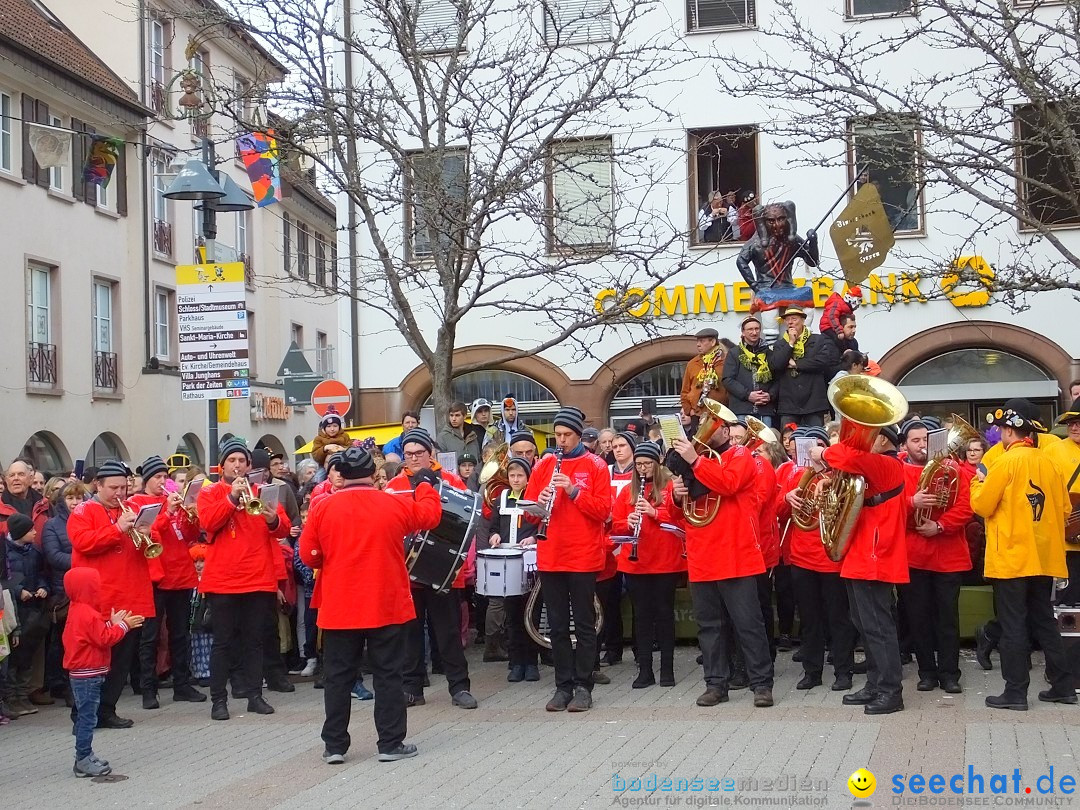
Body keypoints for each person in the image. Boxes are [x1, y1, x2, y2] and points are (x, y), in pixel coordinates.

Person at [300, 446, 441, 764]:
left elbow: (308, 555)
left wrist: (331, 558)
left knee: (338, 677)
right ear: (374, 474)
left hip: (339, 605)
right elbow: (430, 516)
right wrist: (425, 485)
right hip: (384, 602)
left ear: (341, 475)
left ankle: (335, 746)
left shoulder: (322, 507)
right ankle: (390, 743)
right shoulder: (392, 503)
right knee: (388, 674)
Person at [970, 400, 1075, 710]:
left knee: (1013, 624)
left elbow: (981, 506)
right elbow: (1066, 511)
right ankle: (1063, 687)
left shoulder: (1003, 463)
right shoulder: (1050, 463)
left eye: (1001, 428)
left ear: (1009, 430)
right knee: (1044, 621)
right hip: (1045, 558)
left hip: (1012, 559)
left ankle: (1015, 692)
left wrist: (977, 483)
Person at [670, 403, 774, 708]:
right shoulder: (699, 460)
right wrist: (677, 495)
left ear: (727, 431)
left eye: (714, 425)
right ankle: (716, 684)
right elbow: (676, 512)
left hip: (735, 552)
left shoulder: (742, 456)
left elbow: (728, 484)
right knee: (709, 626)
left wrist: (694, 461)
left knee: (748, 623)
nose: (708, 430)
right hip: (702, 555)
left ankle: (761, 684)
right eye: (706, 424)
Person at [813, 421, 907, 715]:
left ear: (881, 440)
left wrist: (823, 452)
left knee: (877, 626)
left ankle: (891, 691)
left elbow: (846, 457)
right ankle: (876, 682)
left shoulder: (888, 464)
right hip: (862, 551)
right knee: (864, 622)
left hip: (875, 552)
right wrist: (829, 482)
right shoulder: (876, 466)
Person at [523, 407, 612, 713]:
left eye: (567, 435)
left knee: (585, 625)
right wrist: (539, 504)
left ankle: (584, 686)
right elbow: (527, 512)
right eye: (557, 435)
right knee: (558, 626)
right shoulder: (545, 464)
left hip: (583, 555)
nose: (560, 441)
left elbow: (603, 511)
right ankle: (563, 686)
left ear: (578, 435)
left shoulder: (597, 465)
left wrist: (573, 491)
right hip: (551, 554)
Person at [197, 438, 291, 721]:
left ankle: (254, 695)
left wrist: (273, 518)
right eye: (232, 461)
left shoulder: (263, 491)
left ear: (250, 466)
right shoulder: (211, 493)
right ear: (222, 466)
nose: (237, 466)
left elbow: (283, 528)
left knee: (254, 641)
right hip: (223, 579)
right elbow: (208, 524)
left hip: (258, 578)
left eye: (242, 461)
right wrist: (231, 498)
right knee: (223, 642)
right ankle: (218, 700)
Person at [384, 429, 478, 710]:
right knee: (410, 633)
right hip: (407, 573)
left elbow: (466, 520)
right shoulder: (394, 486)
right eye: (408, 454)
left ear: (430, 454)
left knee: (447, 632)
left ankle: (459, 687)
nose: (413, 458)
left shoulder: (449, 482)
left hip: (443, 571)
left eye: (418, 453)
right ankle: (413, 688)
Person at [67, 460, 156, 729]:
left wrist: (146, 534)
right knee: (94, 660)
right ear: (98, 485)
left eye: (123, 487)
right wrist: (117, 529)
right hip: (100, 597)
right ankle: (81, 714)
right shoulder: (84, 510)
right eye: (113, 488)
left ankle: (107, 710)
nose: (120, 493)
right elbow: (83, 542)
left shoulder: (131, 509)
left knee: (121, 660)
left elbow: (144, 551)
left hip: (129, 594)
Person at [898, 419, 972, 694]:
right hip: (914, 556)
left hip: (948, 555)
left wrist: (939, 525)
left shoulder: (953, 468)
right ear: (905, 444)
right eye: (915, 440)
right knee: (918, 618)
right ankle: (927, 672)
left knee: (947, 618)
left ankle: (950, 673)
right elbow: (890, 510)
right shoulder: (899, 469)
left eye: (926, 439)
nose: (921, 445)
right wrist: (911, 503)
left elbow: (965, 506)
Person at [780, 427, 857, 691]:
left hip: (832, 557)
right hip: (802, 558)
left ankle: (843, 671)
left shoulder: (842, 477)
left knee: (839, 618)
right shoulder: (797, 477)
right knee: (810, 620)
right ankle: (811, 672)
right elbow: (779, 514)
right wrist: (786, 497)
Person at [127, 455, 206, 709]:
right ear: (147, 479)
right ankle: (148, 688)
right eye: (157, 477)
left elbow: (191, 535)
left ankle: (182, 684)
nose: (163, 482)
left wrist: (191, 515)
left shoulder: (173, 500)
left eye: (165, 477)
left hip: (181, 574)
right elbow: (149, 532)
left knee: (180, 634)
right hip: (155, 577)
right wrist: (167, 512)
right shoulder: (136, 501)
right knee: (150, 637)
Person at [613, 442, 682, 687]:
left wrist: (655, 513)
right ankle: (645, 670)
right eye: (639, 465)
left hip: (665, 561)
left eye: (647, 464)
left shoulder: (671, 487)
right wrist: (627, 522)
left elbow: (681, 521)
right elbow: (615, 525)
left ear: (657, 464)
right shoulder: (627, 493)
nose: (643, 469)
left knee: (664, 615)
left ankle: (667, 669)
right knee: (641, 617)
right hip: (636, 562)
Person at [63, 568, 144, 778]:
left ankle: (85, 756)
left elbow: (95, 634)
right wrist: (123, 626)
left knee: (86, 716)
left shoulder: (79, 609)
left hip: (85, 673)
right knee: (88, 718)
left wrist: (112, 623)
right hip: (87, 674)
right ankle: (83, 758)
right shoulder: (87, 613)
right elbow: (105, 639)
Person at [475, 457, 541, 682]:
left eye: (520, 476)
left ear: (527, 478)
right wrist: (494, 534)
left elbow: (541, 525)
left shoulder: (534, 497)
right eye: (512, 476)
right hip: (507, 558)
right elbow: (494, 525)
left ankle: (531, 663)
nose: (515, 479)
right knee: (511, 614)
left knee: (530, 613)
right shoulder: (501, 497)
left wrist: (532, 538)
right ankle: (516, 663)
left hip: (529, 559)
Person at [43, 480, 86, 704]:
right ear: (63, 500)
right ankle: (63, 685)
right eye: (70, 498)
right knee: (63, 642)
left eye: (78, 498)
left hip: (87, 589)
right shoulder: (52, 525)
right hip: (64, 590)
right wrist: (83, 560)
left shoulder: (89, 519)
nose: (75, 502)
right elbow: (53, 555)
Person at [2, 513, 48, 716]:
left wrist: (42, 586)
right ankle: (11, 698)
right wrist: (18, 590)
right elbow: (5, 579)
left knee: (28, 653)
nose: (35, 532)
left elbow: (41, 573)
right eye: (31, 530)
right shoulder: (6, 552)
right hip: (15, 609)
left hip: (33, 608)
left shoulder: (34, 551)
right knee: (14, 656)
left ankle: (23, 695)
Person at [768, 306, 839, 427]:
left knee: (815, 438)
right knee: (789, 440)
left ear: (803, 320)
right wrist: (790, 343)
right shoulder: (780, 344)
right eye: (787, 319)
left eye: (794, 319)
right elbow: (776, 364)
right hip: (789, 404)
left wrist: (796, 364)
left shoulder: (817, 340)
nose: (790, 322)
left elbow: (823, 361)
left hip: (813, 403)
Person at [735, 201, 819, 291]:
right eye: (771, 221)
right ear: (763, 222)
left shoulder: (793, 240)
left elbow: (813, 262)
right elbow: (741, 261)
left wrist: (813, 242)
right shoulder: (756, 242)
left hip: (788, 288)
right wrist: (754, 285)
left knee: (807, 292)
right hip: (765, 288)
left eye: (781, 219)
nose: (777, 225)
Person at [1044, 398, 1080, 604]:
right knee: (1066, 597)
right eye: (1071, 423)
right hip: (1064, 538)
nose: (1074, 427)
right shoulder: (1054, 451)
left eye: (1079, 423)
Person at [723, 314, 779, 427]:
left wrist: (770, 395)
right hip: (742, 409)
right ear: (743, 332)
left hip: (765, 409)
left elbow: (778, 379)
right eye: (750, 329)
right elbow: (727, 379)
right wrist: (747, 395)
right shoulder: (734, 353)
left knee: (766, 444)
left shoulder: (769, 353)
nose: (754, 332)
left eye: (757, 329)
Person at [680, 328, 729, 425]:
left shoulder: (726, 361)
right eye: (697, 341)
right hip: (697, 415)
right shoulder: (693, 363)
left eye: (702, 341)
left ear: (713, 342)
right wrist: (689, 411)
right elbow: (685, 391)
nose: (698, 344)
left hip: (721, 414)